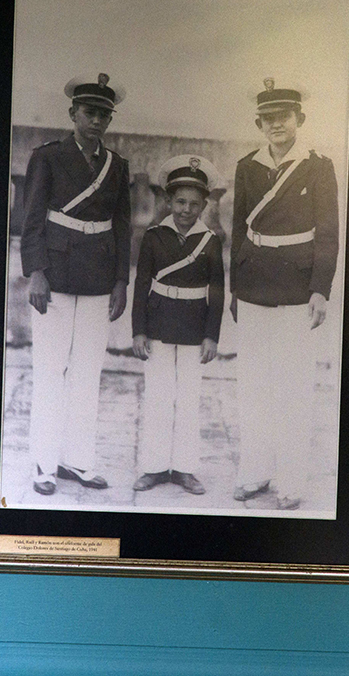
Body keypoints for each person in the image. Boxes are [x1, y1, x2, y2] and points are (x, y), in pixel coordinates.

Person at [229, 79, 339, 511]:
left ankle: (291, 480)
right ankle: (255, 471)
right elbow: (239, 229)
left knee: (293, 386)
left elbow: (328, 232)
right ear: (259, 123)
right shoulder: (247, 166)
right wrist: (237, 286)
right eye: (268, 118)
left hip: (297, 287)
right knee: (253, 384)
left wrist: (320, 289)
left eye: (284, 116)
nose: (276, 124)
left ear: (300, 120)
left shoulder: (318, 166)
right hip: (254, 283)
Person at [19, 73, 131, 495]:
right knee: (50, 372)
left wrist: (121, 280)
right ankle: (44, 465)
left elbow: (121, 226)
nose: (97, 120)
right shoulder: (48, 157)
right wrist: (37, 272)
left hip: (99, 279)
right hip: (57, 276)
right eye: (89, 112)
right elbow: (31, 219)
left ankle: (78, 461)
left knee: (87, 374)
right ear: (73, 114)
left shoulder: (117, 166)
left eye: (104, 114)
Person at [131, 155, 224, 496]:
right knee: (157, 397)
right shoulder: (154, 237)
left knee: (188, 399)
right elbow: (141, 284)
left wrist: (212, 336)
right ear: (168, 201)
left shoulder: (211, 241)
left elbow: (217, 291)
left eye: (194, 204)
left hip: (193, 330)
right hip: (157, 326)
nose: (186, 209)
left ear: (204, 206)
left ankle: (185, 469)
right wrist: (138, 330)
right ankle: (154, 468)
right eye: (180, 202)